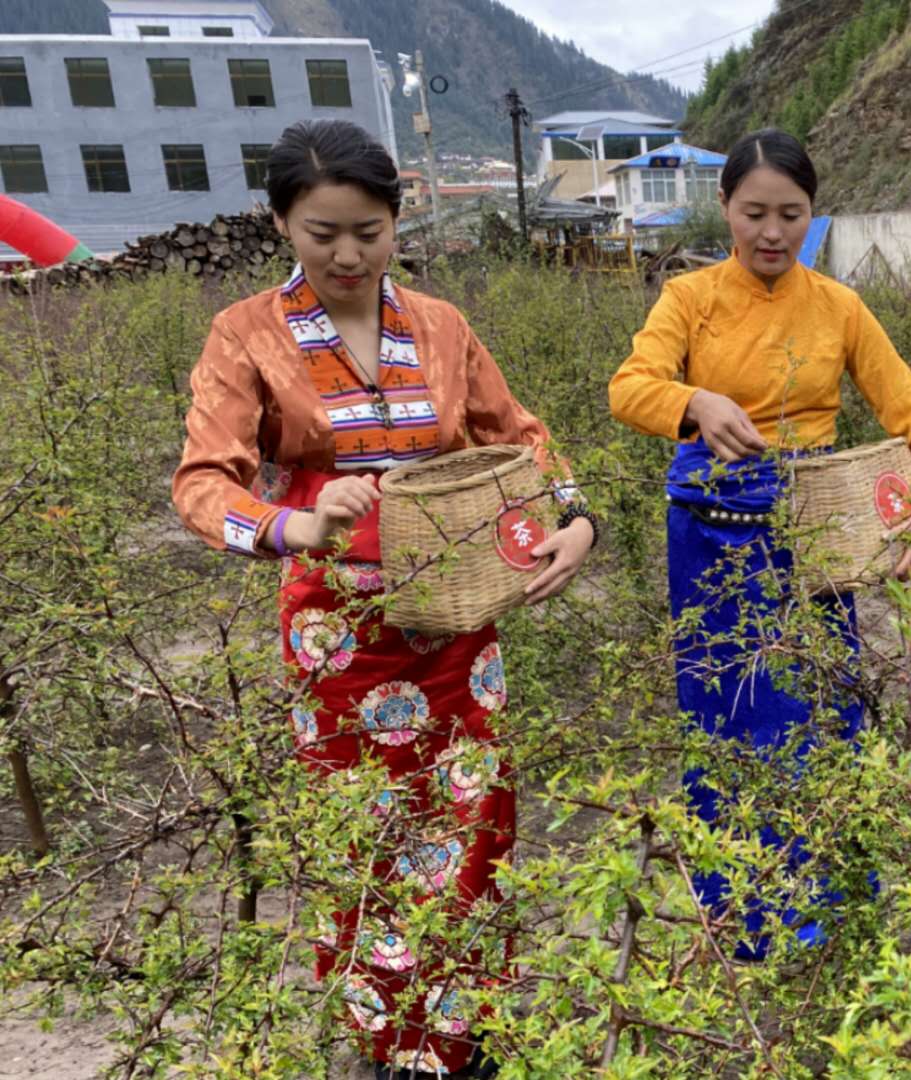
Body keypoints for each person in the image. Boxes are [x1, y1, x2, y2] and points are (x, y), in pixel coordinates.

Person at [171, 119, 595, 1079]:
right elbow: (202, 482)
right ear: (281, 222)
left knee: (472, 818)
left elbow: (521, 436)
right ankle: (390, 1042)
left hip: (456, 618)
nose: (349, 254)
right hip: (339, 635)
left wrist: (576, 519)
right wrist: (295, 525)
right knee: (363, 827)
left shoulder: (441, 327)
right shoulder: (245, 334)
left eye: (369, 230)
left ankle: (465, 1029)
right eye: (323, 233)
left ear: (396, 221)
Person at [608, 128, 911, 958]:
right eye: (753, 212)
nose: (770, 232)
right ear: (723, 207)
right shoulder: (689, 299)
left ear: (812, 214)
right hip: (710, 539)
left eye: (790, 214)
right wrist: (693, 403)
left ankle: (829, 909)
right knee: (726, 715)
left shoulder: (838, 307)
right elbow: (629, 387)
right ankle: (745, 918)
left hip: (814, 535)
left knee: (817, 712)